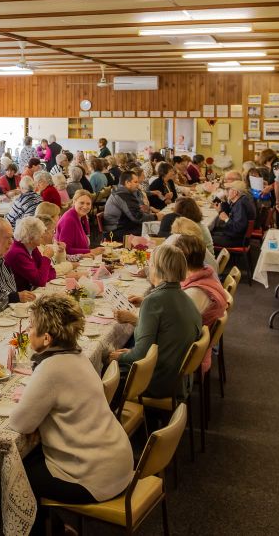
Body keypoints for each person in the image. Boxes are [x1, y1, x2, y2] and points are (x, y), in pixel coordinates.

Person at [8, 294, 133, 536]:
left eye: (31, 327)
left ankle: (46, 531)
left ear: (47, 337)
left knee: (17, 473)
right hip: (118, 462)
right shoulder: (78, 356)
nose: (28, 331)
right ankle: (54, 528)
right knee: (32, 459)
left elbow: (20, 423)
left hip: (95, 478)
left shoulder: (52, 369)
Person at [111, 244, 202, 400]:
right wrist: (131, 353)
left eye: (151, 264)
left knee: (104, 370)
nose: (149, 268)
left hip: (157, 380)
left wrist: (119, 357)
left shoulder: (154, 301)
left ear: (158, 269)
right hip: (177, 377)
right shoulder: (186, 297)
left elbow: (142, 354)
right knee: (125, 350)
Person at [173, 234, 228, 372]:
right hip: (195, 349)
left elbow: (169, 328)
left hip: (185, 359)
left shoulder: (194, 293)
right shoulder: (207, 275)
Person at [5, 217, 56, 291]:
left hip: (31, 291)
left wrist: (43, 276)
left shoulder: (31, 247)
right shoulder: (18, 253)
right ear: (31, 238)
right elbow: (40, 282)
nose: (42, 236)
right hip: (20, 296)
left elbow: (52, 272)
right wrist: (46, 257)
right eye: (40, 235)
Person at [103, 171, 156, 242]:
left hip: (122, 227)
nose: (138, 184)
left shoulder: (123, 192)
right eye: (135, 182)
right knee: (151, 231)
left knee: (150, 228)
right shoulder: (123, 195)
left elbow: (136, 213)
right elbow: (137, 217)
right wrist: (156, 216)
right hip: (114, 232)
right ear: (127, 183)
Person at [57, 190, 104, 257]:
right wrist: (91, 251)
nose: (85, 207)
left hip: (81, 258)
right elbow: (66, 250)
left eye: (88, 204)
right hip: (70, 262)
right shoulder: (69, 220)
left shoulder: (83, 217)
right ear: (74, 202)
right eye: (81, 203)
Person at [211, 181, 256, 247]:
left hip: (236, 239)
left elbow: (238, 228)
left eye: (228, 189)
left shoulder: (240, 205)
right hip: (233, 235)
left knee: (205, 239)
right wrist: (223, 203)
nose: (225, 192)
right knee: (210, 232)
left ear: (235, 192)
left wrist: (226, 219)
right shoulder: (241, 200)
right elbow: (229, 212)